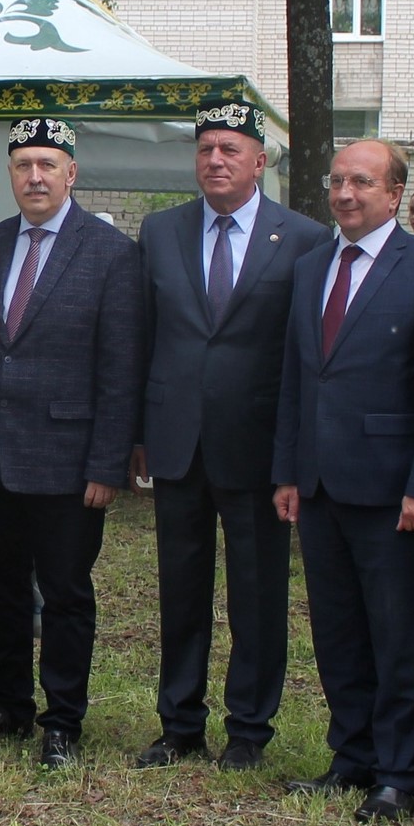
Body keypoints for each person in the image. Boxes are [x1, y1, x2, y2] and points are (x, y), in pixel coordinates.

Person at [272, 139, 414, 823]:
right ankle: (351, 756)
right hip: (322, 485)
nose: (346, 193)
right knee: (337, 631)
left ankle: (398, 771)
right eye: (337, 182)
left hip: (394, 491)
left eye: (363, 181)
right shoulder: (311, 267)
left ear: (394, 194)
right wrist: (289, 472)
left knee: (395, 633)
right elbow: (299, 377)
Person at [130, 101, 330, 771]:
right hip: (177, 442)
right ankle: (180, 723)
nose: (215, 160)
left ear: (259, 162)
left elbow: (307, 354)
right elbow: (145, 339)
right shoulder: (160, 231)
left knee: (257, 593)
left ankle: (249, 729)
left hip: (258, 447)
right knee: (180, 590)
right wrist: (138, 435)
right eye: (206, 149)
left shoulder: (302, 239)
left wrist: (296, 454)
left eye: (230, 150)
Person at [0, 118, 143, 770]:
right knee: (0, 589)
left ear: (71, 174)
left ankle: (63, 720)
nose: (35, 176)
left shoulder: (110, 252)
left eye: (47, 164)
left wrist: (107, 463)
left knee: (64, 593)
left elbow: (121, 366)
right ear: (10, 174)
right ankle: (10, 707)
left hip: (68, 461)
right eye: (23, 164)